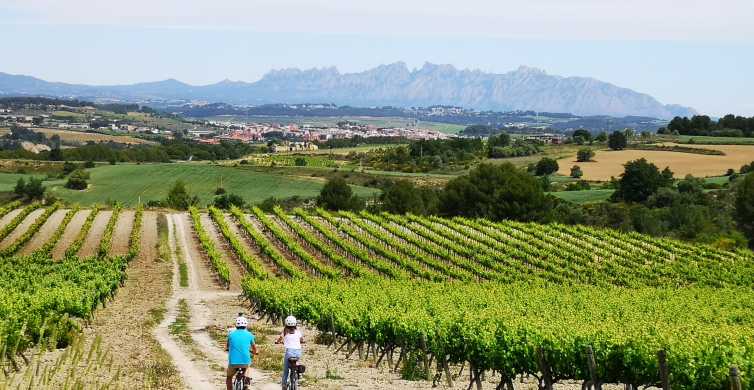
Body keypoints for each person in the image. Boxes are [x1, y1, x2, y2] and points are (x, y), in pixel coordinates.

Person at [226, 314, 257, 390]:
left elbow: (227, 346)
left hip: (233, 362)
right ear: (246, 325)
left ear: (236, 325)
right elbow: (254, 348)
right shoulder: (250, 335)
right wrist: (255, 352)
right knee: (248, 366)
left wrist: (228, 349)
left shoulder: (231, 335)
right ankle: (246, 380)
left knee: (229, 377)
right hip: (245, 361)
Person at [275, 315, 305, 390]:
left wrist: (277, 342)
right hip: (298, 352)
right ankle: (298, 372)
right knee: (296, 360)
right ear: (295, 324)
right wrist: (301, 341)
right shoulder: (298, 332)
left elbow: (279, 339)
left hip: (289, 353)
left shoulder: (285, 332)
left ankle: (284, 385)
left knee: (285, 370)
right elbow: (302, 340)